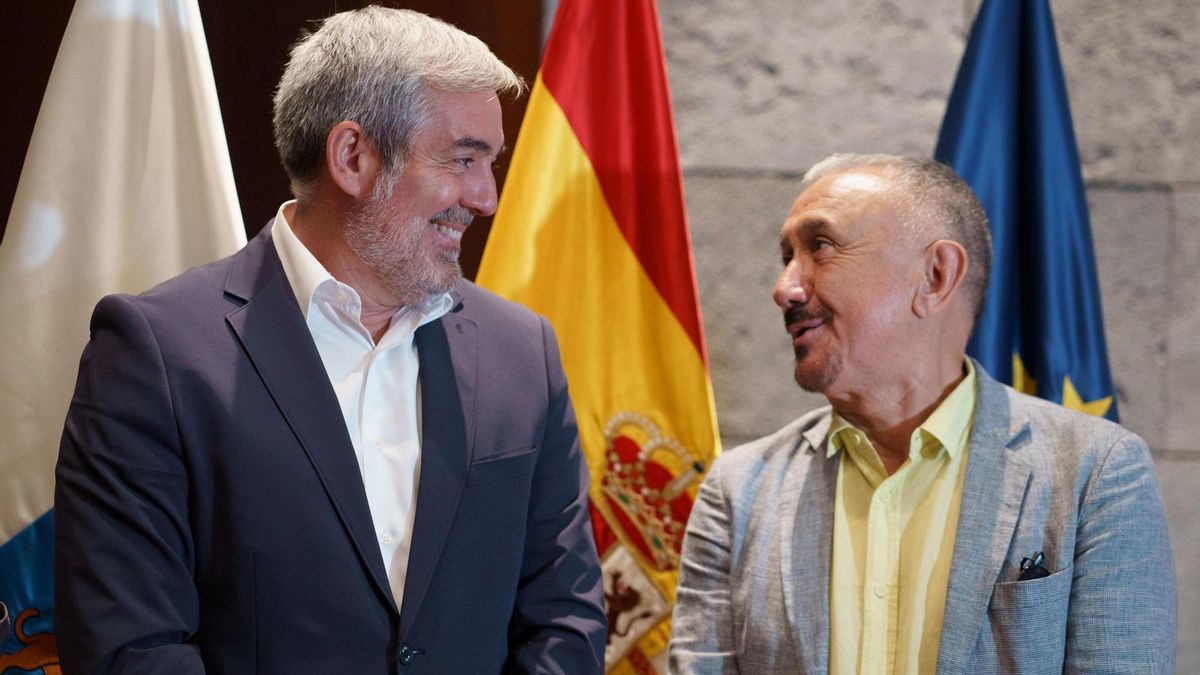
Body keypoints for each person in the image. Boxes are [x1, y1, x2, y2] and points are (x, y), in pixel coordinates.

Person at [54, 8, 605, 673]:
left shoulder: (523, 352)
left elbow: (565, 621)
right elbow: (131, 648)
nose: (486, 197)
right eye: (464, 159)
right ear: (353, 157)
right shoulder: (157, 355)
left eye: (490, 163)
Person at [669, 154, 1175, 673]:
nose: (784, 289)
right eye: (786, 258)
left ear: (936, 276)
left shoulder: (1095, 473)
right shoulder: (737, 490)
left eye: (820, 246)